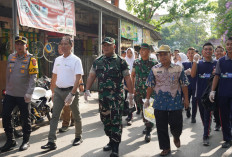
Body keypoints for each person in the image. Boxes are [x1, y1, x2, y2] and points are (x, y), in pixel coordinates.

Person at [84, 37, 134, 157]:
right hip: (103, 98)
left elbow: (128, 78)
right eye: (104, 45)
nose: (105, 47)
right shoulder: (98, 61)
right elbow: (91, 76)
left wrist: (131, 94)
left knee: (116, 122)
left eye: (108, 45)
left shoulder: (121, 61)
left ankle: (115, 147)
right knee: (105, 121)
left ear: (114, 47)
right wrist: (86, 89)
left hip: (117, 98)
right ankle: (111, 141)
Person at [41, 35, 84, 150]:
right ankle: (51, 141)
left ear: (71, 45)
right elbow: (54, 76)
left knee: (76, 114)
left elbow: (78, 78)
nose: (63, 46)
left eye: (66, 44)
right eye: (62, 44)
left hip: (71, 91)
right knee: (55, 116)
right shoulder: (58, 60)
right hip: (58, 91)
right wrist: (52, 91)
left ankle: (78, 137)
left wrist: (72, 94)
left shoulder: (76, 60)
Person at [145, 45, 189, 156]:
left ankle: (176, 136)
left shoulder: (178, 68)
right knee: (161, 127)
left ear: (170, 55)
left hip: (175, 103)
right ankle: (165, 147)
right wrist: (147, 99)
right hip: (159, 103)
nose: (163, 57)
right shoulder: (154, 69)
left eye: (165, 54)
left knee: (177, 125)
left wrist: (186, 99)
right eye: (160, 55)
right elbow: (150, 85)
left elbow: (184, 84)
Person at [0, 36, 38, 152]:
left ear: (26, 45)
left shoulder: (31, 59)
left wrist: (29, 93)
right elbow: (8, 75)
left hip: (23, 95)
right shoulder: (11, 57)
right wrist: (6, 88)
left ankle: (26, 141)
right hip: (11, 93)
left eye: (22, 44)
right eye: (17, 44)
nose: (19, 46)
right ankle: (10, 140)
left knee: (25, 118)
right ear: (15, 45)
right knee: (5, 115)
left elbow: (33, 78)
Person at [191, 42, 217, 146]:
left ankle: (205, 136)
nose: (208, 51)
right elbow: (192, 75)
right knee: (202, 115)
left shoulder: (216, 63)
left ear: (213, 51)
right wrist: (194, 62)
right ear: (202, 51)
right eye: (206, 49)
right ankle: (207, 128)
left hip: (210, 95)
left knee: (207, 115)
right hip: (199, 94)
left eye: (210, 49)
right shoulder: (199, 63)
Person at [132, 43, 158, 142]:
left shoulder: (154, 63)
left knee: (148, 109)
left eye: (144, 49)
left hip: (150, 90)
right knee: (142, 109)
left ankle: (148, 130)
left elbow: (157, 77)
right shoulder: (136, 62)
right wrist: (133, 88)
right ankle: (147, 124)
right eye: (141, 50)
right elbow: (133, 75)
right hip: (139, 90)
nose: (142, 51)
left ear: (149, 51)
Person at [210, 37, 232, 148]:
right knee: (224, 117)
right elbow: (217, 76)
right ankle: (227, 139)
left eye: (231, 44)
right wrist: (212, 91)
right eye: (228, 44)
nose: (229, 46)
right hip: (223, 93)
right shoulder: (221, 61)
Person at [182, 47, 197, 122]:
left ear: (195, 54)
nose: (191, 54)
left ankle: (193, 117)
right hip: (187, 86)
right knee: (186, 100)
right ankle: (187, 109)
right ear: (187, 54)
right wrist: (185, 72)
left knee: (194, 102)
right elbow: (180, 74)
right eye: (189, 53)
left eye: (192, 53)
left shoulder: (198, 63)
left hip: (195, 85)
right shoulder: (184, 64)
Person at [212, 45, 225, 131]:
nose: (219, 52)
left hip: (225, 87)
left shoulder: (226, 62)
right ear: (215, 53)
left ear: (224, 52)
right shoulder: (212, 63)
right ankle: (217, 123)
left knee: (225, 107)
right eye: (217, 51)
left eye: (221, 51)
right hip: (215, 87)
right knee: (215, 106)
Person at [124, 47, 136, 125]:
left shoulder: (135, 62)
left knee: (131, 99)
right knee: (125, 99)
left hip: (133, 82)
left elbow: (135, 74)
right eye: (128, 52)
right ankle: (126, 114)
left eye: (130, 52)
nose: (129, 54)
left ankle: (130, 117)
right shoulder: (124, 61)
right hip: (125, 82)